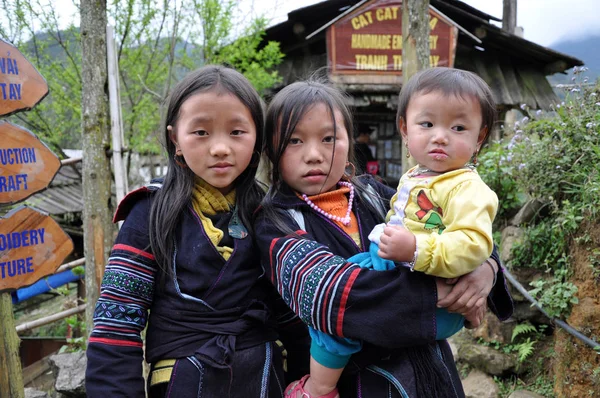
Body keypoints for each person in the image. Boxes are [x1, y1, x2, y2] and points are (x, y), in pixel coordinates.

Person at [254, 78, 513, 398]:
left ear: (349, 141)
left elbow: (458, 227)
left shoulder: (373, 194)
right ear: (270, 151)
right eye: (294, 141)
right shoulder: (275, 222)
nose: (314, 155)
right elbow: (331, 296)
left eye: (329, 138)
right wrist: (442, 291)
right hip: (355, 385)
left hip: (432, 375)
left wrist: (485, 268)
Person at [86, 65, 285, 398]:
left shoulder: (267, 210)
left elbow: (291, 311)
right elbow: (116, 325)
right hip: (184, 382)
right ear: (175, 138)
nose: (220, 148)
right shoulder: (150, 213)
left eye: (237, 132)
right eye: (201, 133)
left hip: (264, 379)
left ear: (257, 139)